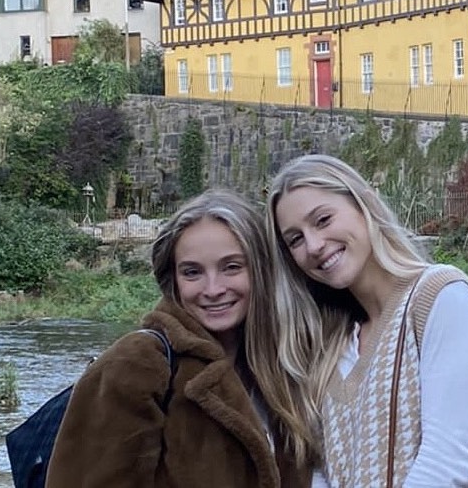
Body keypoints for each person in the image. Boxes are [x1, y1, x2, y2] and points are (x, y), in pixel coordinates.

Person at [46, 189, 313, 488]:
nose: (213, 289)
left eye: (232, 267)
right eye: (192, 272)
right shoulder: (136, 364)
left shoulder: (285, 366)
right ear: (173, 279)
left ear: (262, 270)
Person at [266, 155, 468, 488]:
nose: (314, 246)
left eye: (322, 220)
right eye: (295, 239)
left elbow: (448, 462)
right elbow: (322, 473)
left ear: (365, 205)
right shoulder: (330, 344)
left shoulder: (441, 296)